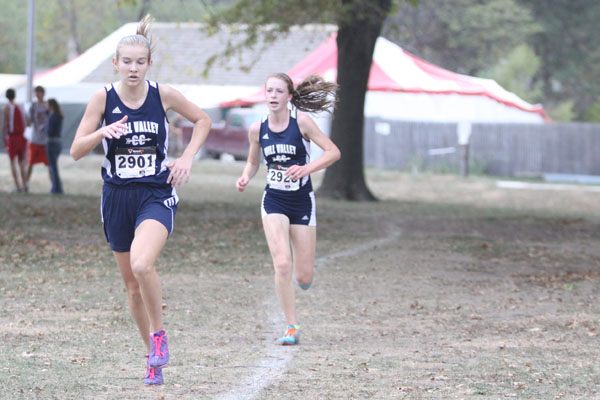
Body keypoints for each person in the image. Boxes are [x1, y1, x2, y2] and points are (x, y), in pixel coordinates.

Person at [70, 15, 211, 386]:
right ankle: (151, 356)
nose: (133, 68)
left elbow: (202, 120)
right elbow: (75, 151)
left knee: (143, 266)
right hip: (116, 197)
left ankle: (159, 335)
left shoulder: (162, 95)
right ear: (115, 64)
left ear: (149, 64)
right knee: (131, 287)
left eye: (140, 61)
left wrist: (187, 157)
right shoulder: (103, 98)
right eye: (127, 61)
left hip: (155, 193)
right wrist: (103, 130)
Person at [236, 73, 341, 345]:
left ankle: (303, 282)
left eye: (279, 91)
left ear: (289, 96)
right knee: (282, 263)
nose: (273, 96)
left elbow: (333, 152)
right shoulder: (256, 129)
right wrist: (246, 175)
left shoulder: (302, 123)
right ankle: (291, 326)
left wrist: (307, 168)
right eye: (269, 90)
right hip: (274, 200)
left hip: (302, 201)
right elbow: (252, 162)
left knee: (304, 276)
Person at [2, 88, 29, 193]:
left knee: (12, 162)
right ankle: (25, 184)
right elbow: (28, 122)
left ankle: (18, 186)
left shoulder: (7, 108)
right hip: (22, 137)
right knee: (22, 161)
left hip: (12, 137)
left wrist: (3, 137)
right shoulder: (21, 107)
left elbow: (4, 124)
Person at [27, 85, 51, 187]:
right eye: (36, 92)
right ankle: (26, 183)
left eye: (39, 92)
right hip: (35, 138)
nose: (37, 94)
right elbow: (29, 121)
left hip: (45, 140)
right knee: (30, 163)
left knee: (49, 165)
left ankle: (53, 185)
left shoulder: (47, 106)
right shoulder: (33, 106)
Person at [45, 98, 64, 194]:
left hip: (51, 142)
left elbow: (49, 131)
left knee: (53, 167)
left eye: (47, 105)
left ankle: (56, 188)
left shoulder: (52, 117)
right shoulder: (59, 116)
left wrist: (44, 129)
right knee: (54, 166)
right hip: (58, 142)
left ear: (51, 106)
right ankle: (57, 187)